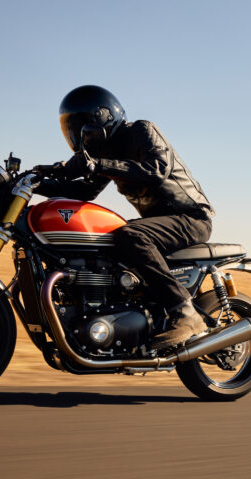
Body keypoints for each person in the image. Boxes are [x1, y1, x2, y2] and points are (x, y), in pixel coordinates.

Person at [37, 84, 213, 347]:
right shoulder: (104, 154)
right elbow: (84, 191)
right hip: (159, 224)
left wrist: (98, 165)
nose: (76, 133)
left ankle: (185, 312)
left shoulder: (141, 130)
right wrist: (37, 183)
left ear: (101, 116)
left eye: (79, 124)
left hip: (190, 217)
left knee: (131, 236)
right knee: (105, 240)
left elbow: (157, 169)